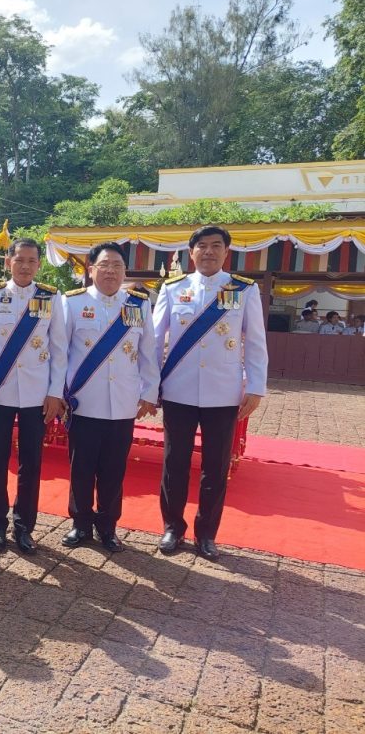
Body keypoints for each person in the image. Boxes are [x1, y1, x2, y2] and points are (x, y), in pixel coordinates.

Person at [153, 225, 268, 561]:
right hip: (179, 389)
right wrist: (150, 385)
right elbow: (154, 340)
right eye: (201, 246)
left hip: (223, 392)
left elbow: (256, 342)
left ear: (226, 252)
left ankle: (206, 534)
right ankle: (172, 527)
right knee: (174, 462)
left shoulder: (244, 290)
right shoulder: (173, 288)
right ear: (191, 253)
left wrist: (256, 387)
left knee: (215, 467)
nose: (208, 251)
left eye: (216, 245)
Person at [59, 243, 159, 553]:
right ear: (91, 270)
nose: (111, 271)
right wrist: (58, 393)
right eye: (104, 265)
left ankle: (108, 526)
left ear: (125, 271)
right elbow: (60, 352)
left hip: (122, 403)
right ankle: (80, 523)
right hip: (84, 401)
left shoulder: (138, 304)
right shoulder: (72, 302)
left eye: (117, 265)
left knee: (114, 470)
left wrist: (149, 392)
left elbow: (148, 352)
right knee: (81, 467)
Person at [0, 238, 66, 554]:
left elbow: (59, 349)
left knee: (32, 462)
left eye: (31, 261)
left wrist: (55, 392)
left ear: (39, 264)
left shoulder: (51, 297)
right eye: (19, 260)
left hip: (36, 395)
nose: (25, 266)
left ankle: (25, 526)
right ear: (8, 262)